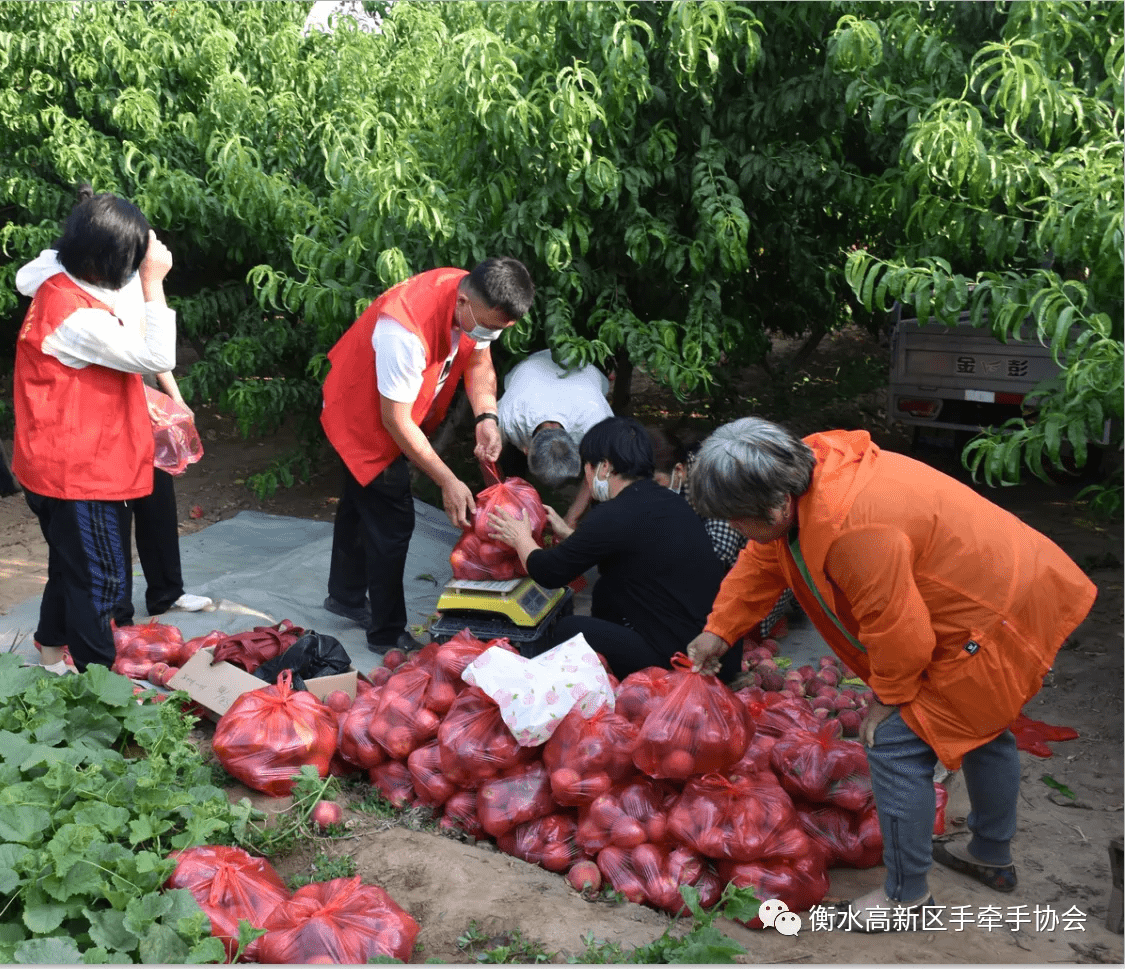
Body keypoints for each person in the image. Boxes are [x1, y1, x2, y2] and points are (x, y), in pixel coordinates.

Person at [685, 417, 1097, 929]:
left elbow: (901, 634)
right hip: (996, 584)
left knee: (895, 742)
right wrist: (721, 629)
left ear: (773, 506)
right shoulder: (803, 474)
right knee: (983, 724)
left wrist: (887, 698)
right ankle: (990, 854)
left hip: (991, 609)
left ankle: (906, 901)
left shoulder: (856, 530)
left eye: (738, 521)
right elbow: (765, 559)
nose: (739, 532)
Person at [320, 257, 535, 654]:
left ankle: (345, 595)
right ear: (464, 301)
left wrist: (486, 415)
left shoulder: (474, 302)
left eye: (497, 329)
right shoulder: (403, 328)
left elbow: (479, 358)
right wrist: (448, 481)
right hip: (366, 419)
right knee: (392, 521)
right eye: (487, 325)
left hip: (393, 411)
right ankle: (386, 634)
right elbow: (396, 422)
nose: (489, 334)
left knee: (359, 500)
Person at [12, 186, 177, 673]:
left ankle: (48, 654)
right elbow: (158, 356)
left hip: (52, 461)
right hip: (78, 473)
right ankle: (99, 683)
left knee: (70, 566)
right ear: (109, 260)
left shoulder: (58, 279)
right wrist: (154, 282)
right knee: (102, 580)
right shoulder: (76, 317)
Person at [487, 416, 741, 683]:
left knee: (567, 629)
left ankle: (626, 679)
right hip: (719, 651)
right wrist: (568, 534)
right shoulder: (668, 501)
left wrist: (520, 538)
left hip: (686, 659)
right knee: (607, 589)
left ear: (604, 467)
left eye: (587, 466)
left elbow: (549, 571)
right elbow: (629, 551)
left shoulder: (615, 513)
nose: (586, 475)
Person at [647, 424, 798, 641]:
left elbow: (720, 553)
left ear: (679, 470)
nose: (650, 493)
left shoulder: (713, 478)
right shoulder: (666, 492)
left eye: (656, 483)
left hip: (748, 565)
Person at [497, 349, 613, 525]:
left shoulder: (597, 421)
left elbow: (599, 469)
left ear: (577, 447)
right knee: (507, 461)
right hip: (531, 367)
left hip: (584, 370)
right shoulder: (507, 414)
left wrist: (573, 516)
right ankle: (514, 496)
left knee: (603, 485)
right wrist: (497, 498)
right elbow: (486, 455)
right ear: (526, 449)